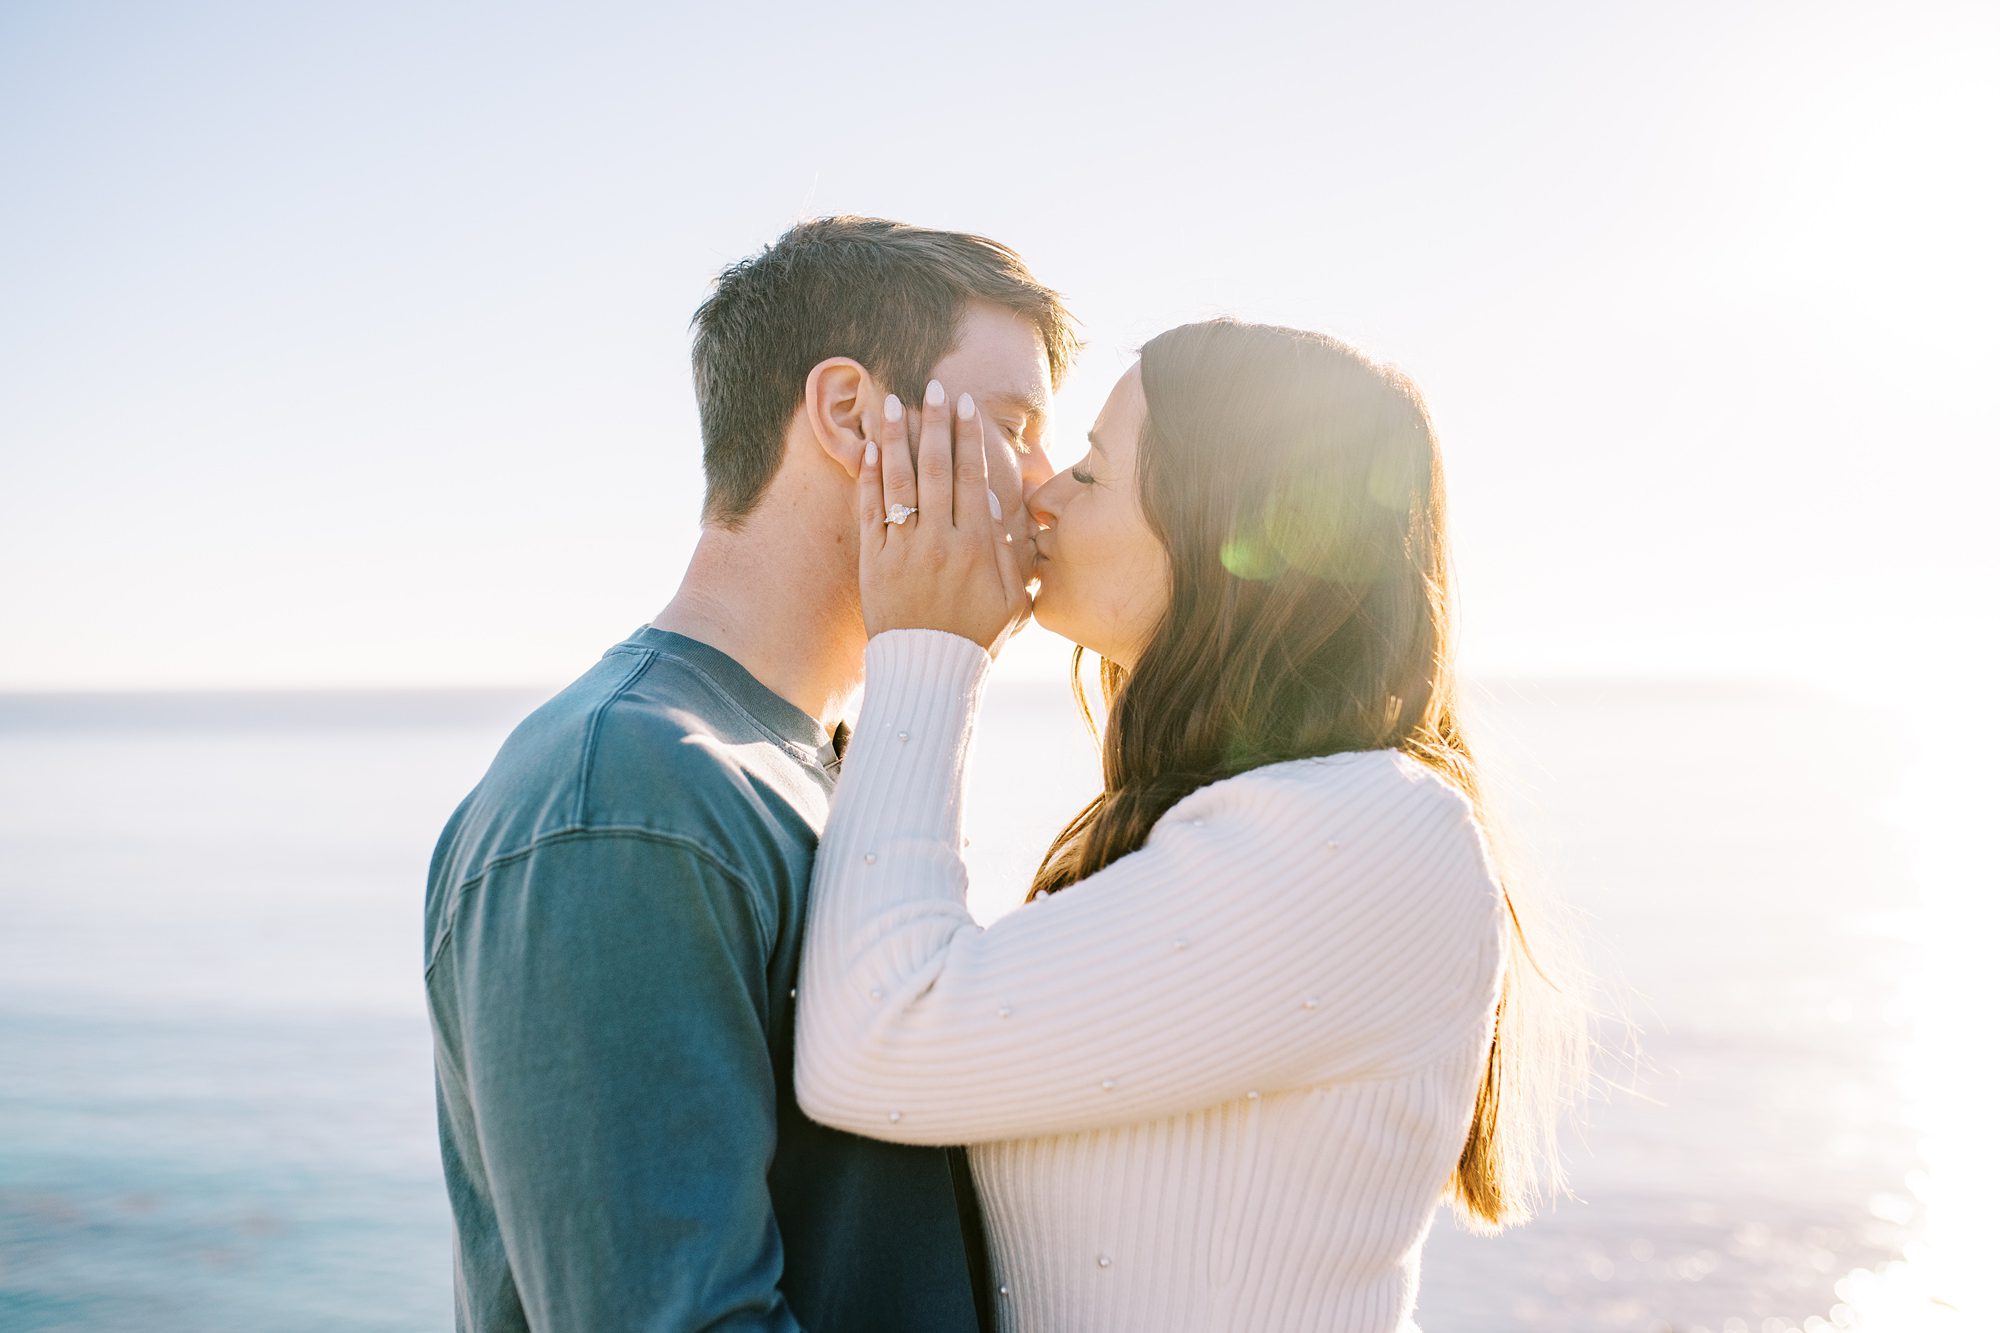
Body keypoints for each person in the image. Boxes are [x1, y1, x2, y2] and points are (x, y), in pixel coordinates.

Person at [794, 319, 1587, 1331]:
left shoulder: (1367, 834)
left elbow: (877, 1044)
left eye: (1087, 472)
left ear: (1233, 529)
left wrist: (927, 651)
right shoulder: (1239, 827)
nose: (1039, 497)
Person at [422, 215, 1079, 1331]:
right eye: (1011, 427)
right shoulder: (627, 798)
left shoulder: (815, 768)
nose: (1043, 486)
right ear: (846, 413)